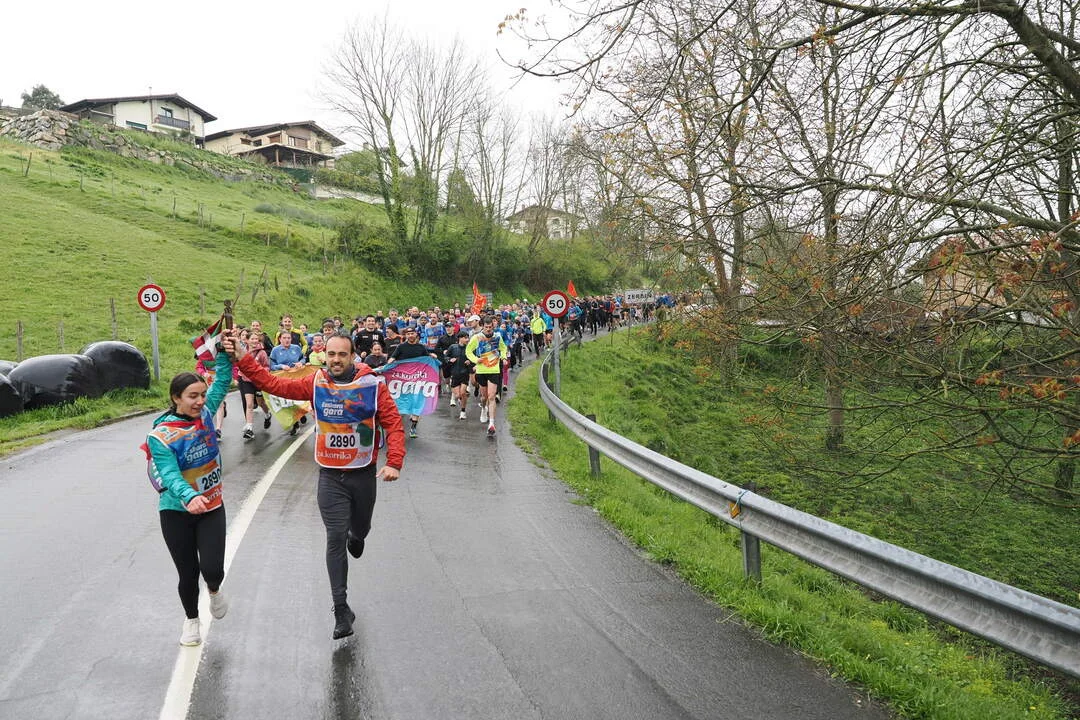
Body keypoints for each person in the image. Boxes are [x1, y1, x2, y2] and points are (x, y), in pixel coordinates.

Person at [225, 331, 406, 640]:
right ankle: (341, 609)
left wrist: (394, 462)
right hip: (330, 475)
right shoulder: (316, 381)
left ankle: (357, 535)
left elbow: (393, 423)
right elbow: (273, 384)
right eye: (331, 354)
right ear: (325, 356)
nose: (336, 360)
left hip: (362, 473)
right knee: (334, 538)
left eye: (342, 354)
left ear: (352, 356)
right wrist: (242, 357)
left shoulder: (372, 385)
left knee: (360, 530)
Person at [143, 351, 233, 647]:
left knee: (212, 570)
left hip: (211, 507)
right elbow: (169, 475)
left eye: (202, 395)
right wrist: (189, 495)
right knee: (188, 573)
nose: (200, 401)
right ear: (176, 398)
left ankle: (215, 590)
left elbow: (222, 381)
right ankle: (192, 620)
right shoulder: (161, 436)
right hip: (176, 511)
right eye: (193, 396)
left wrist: (224, 353)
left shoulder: (206, 415)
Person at [388, 326, 440, 438]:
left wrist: (432, 356)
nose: (410, 335)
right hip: (403, 380)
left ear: (416, 334)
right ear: (405, 335)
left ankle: (413, 428)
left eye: (412, 333)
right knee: (401, 403)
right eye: (408, 334)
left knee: (417, 403)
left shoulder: (421, 347)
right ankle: (397, 427)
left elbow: (427, 359)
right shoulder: (401, 347)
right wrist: (387, 366)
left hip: (418, 379)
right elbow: (392, 358)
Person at [465, 318, 508, 436]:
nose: (488, 329)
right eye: (486, 327)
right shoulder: (477, 337)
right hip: (481, 370)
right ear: (483, 327)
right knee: (484, 397)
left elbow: (503, 348)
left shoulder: (497, 336)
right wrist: (475, 359)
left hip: (494, 369)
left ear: (493, 327)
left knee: (492, 396)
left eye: (490, 327)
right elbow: (468, 351)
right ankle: (484, 408)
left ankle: (492, 424)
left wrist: (504, 357)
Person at [238, 329, 272, 439]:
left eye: (256, 339)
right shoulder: (243, 351)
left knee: (261, 403)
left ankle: (267, 414)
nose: (254, 341)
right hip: (246, 380)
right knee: (249, 404)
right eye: (252, 339)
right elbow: (238, 363)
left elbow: (266, 366)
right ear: (247, 340)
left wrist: (261, 372)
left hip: (258, 381)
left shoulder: (262, 353)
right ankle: (249, 428)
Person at [445, 331, 472, 419]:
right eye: (465, 338)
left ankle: (463, 411)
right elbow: (446, 357)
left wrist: (469, 361)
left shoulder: (469, 348)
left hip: (464, 374)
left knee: (463, 393)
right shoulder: (453, 347)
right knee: (458, 395)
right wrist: (450, 360)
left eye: (468, 338)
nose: (467, 340)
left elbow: (474, 359)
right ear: (460, 338)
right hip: (455, 374)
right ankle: (461, 400)